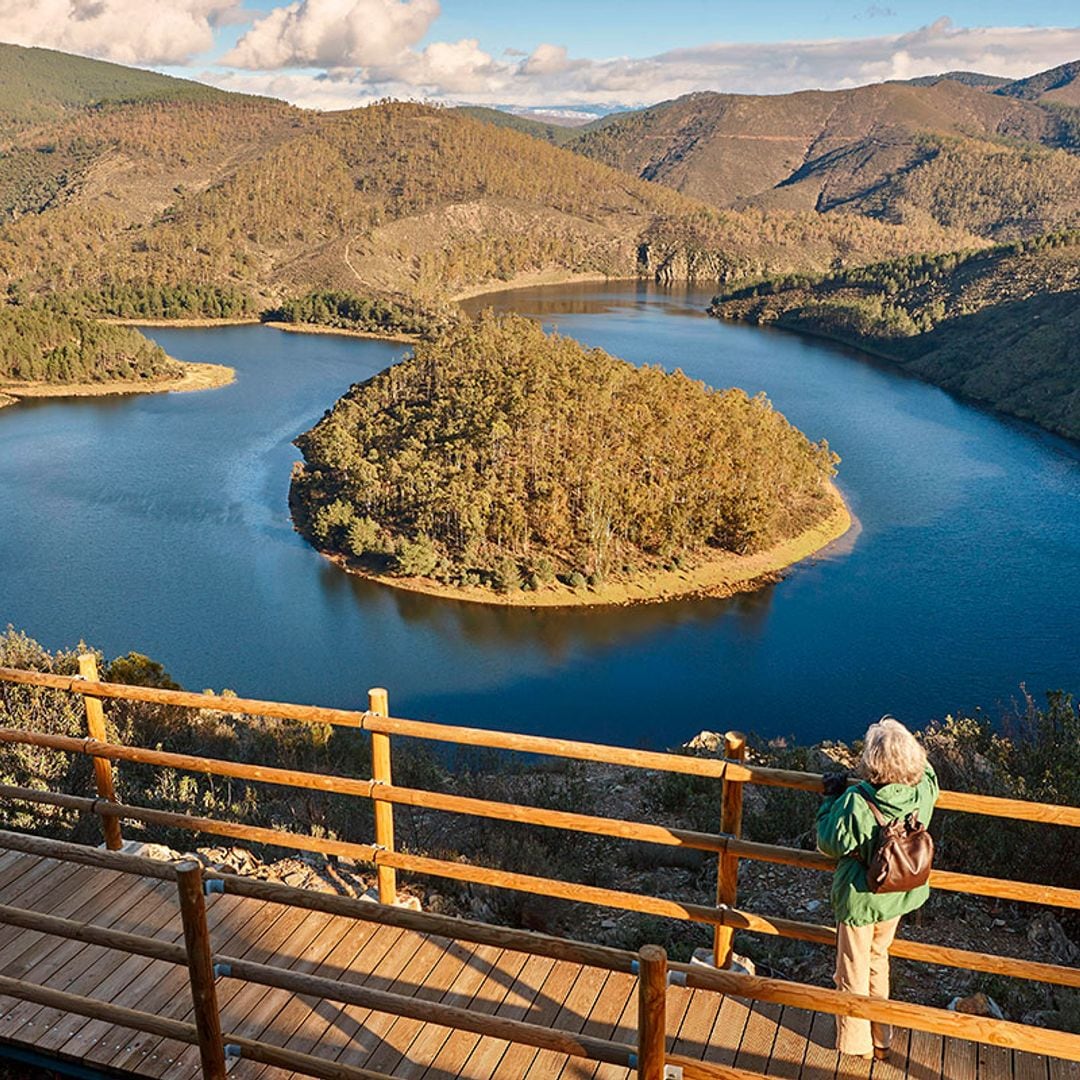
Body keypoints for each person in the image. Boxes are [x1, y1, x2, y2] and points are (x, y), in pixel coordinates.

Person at [816, 717, 939, 1061]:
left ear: (873, 763)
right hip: (897, 896)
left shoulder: (858, 802)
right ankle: (881, 1035)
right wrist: (908, 752)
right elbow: (929, 773)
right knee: (877, 958)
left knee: (851, 971)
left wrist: (830, 798)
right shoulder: (923, 792)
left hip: (859, 899)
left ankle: (855, 1048)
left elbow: (828, 841)